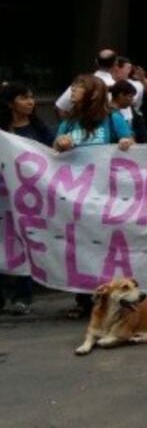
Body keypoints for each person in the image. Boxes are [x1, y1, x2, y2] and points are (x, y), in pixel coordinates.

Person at [53, 74, 134, 320]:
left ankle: (108, 297)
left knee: (103, 248)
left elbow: (130, 141)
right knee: (80, 247)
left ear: (92, 93)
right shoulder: (70, 120)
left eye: (78, 87)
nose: (73, 91)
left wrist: (125, 142)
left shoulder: (112, 118)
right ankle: (83, 299)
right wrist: (61, 143)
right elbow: (55, 145)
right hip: (77, 197)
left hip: (105, 195)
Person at [0, 82, 54, 315]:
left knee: (25, 243)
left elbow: (53, 154)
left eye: (32, 97)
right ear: (11, 103)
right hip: (3, 198)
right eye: (24, 97)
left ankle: (23, 296)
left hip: (28, 200)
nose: (31, 102)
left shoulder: (39, 129)